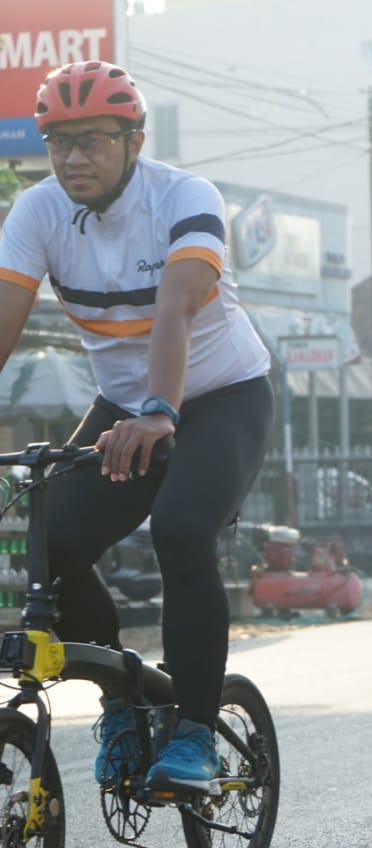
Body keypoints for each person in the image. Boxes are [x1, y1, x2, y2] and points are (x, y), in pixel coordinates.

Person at [0, 61, 275, 790]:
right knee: (48, 541)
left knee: (181, 529)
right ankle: (122, 697)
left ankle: (194, 730)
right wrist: (141, 410)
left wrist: (160, 410)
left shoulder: (184, 197)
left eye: (92, 140)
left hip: (222, 396)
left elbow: (176, 312)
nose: (72, 157)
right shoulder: (36, 212)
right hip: (128, 407)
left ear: (135, 141)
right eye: (58, 141)